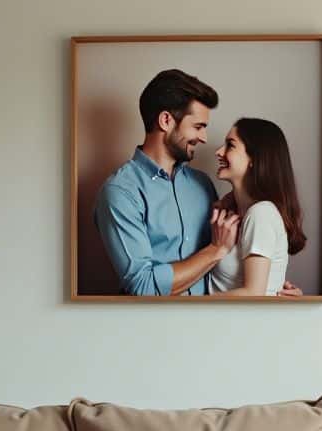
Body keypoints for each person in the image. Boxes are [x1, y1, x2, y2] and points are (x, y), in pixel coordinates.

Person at [93, 69, 299, 296]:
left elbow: (247, 256)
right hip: (154, 328)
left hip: (213, 327)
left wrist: (274, 288)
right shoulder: (121, 192)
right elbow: (143, 288)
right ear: (166, 121)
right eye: (198, 127)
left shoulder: (203, 185)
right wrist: (215, 250)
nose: (204, 138)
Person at [207, 118, 307, 296]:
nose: (218, 152)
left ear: (254, 158)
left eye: (230, 145)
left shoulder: (261, 214)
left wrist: (192, 306)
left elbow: (253, 293)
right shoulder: (238, 212)